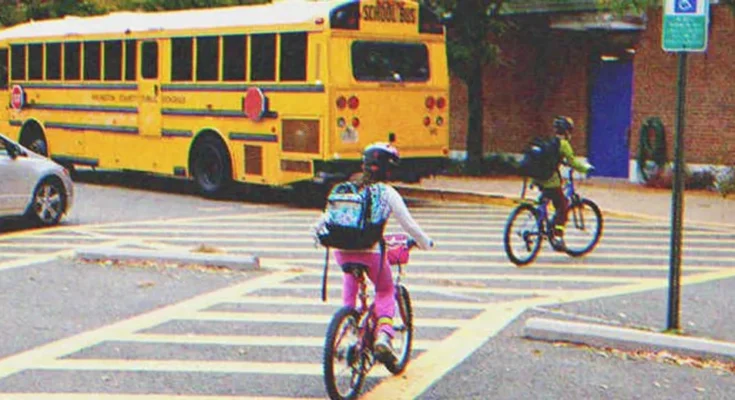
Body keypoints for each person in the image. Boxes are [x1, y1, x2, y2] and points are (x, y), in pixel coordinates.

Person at [312, 142, 434, 363]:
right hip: (371, 253)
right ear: (389, 170)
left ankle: (349, 332)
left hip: (342, 252)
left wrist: (315, 236)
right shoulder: (387, 192)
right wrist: (425, 242)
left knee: (349, 295)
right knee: (385, 290)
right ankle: (384, 337)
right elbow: (409, 224)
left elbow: (322, 221)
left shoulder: (345, 188)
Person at [533, 116, 594, 250]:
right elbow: (573, 162)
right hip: (551, 180)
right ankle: (558, 236)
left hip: (538, 178)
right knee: (563, 205)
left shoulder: (549, 142)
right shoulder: (563, 144)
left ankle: (543, 222)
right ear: (567, 131)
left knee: (547, 199)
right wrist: (586, 168)